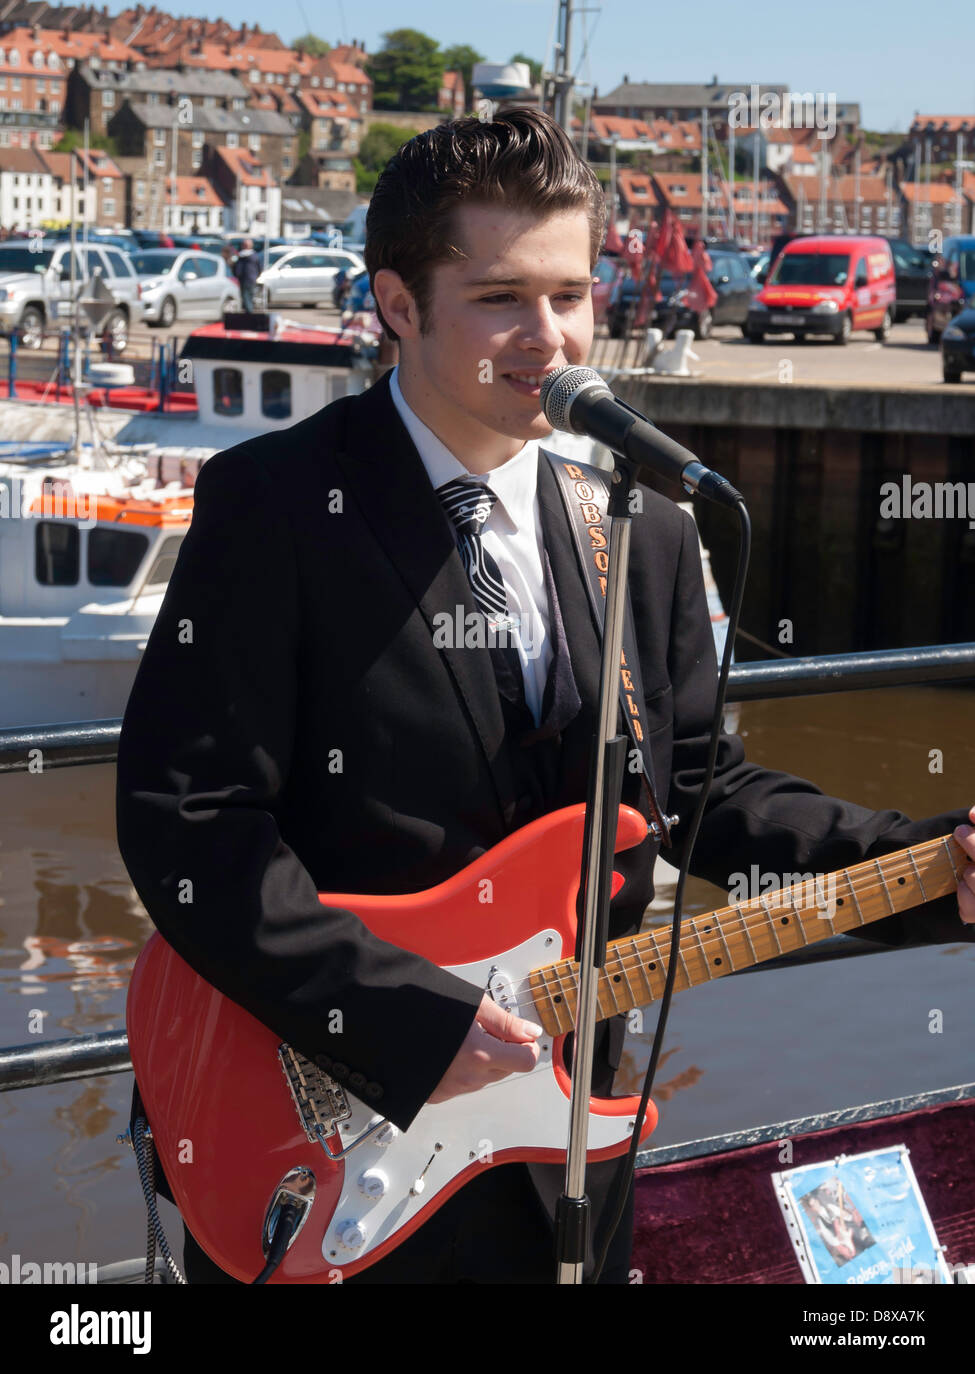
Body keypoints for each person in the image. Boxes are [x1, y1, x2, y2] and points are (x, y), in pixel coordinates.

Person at [115, 108, 975, 1286]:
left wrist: (935, 861)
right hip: (344, 1140)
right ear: (399, 305)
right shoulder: (274, 509)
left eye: (572, 293)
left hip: (567, 1143)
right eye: (502, 298)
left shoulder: (645, 529)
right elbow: (189, 823)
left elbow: (701, 789)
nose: (552, 337)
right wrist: (404, 1020)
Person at [233, 237, 261, 312]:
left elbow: (238, 268)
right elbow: (259, 268)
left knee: (246, 297)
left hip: (245, 279)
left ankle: (249, 313)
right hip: (252, 279)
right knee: (250, 296)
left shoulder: (242, 256)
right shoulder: (255, 255)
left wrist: (237, 275)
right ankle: (249, 312)